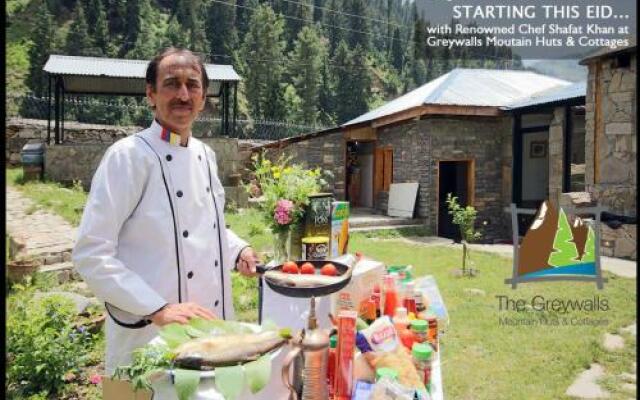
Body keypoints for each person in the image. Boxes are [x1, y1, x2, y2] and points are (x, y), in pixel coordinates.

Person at [72, 47, 259, 374]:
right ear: (151, 94)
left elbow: (207, 226)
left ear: (203, 98)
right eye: (172, 83)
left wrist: (238, 248)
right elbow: (91, 253)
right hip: (148, 333)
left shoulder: (206, 155)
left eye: (193, 84)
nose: (183, 94)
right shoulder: (127, 157)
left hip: (209, 330)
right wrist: (157, 308)